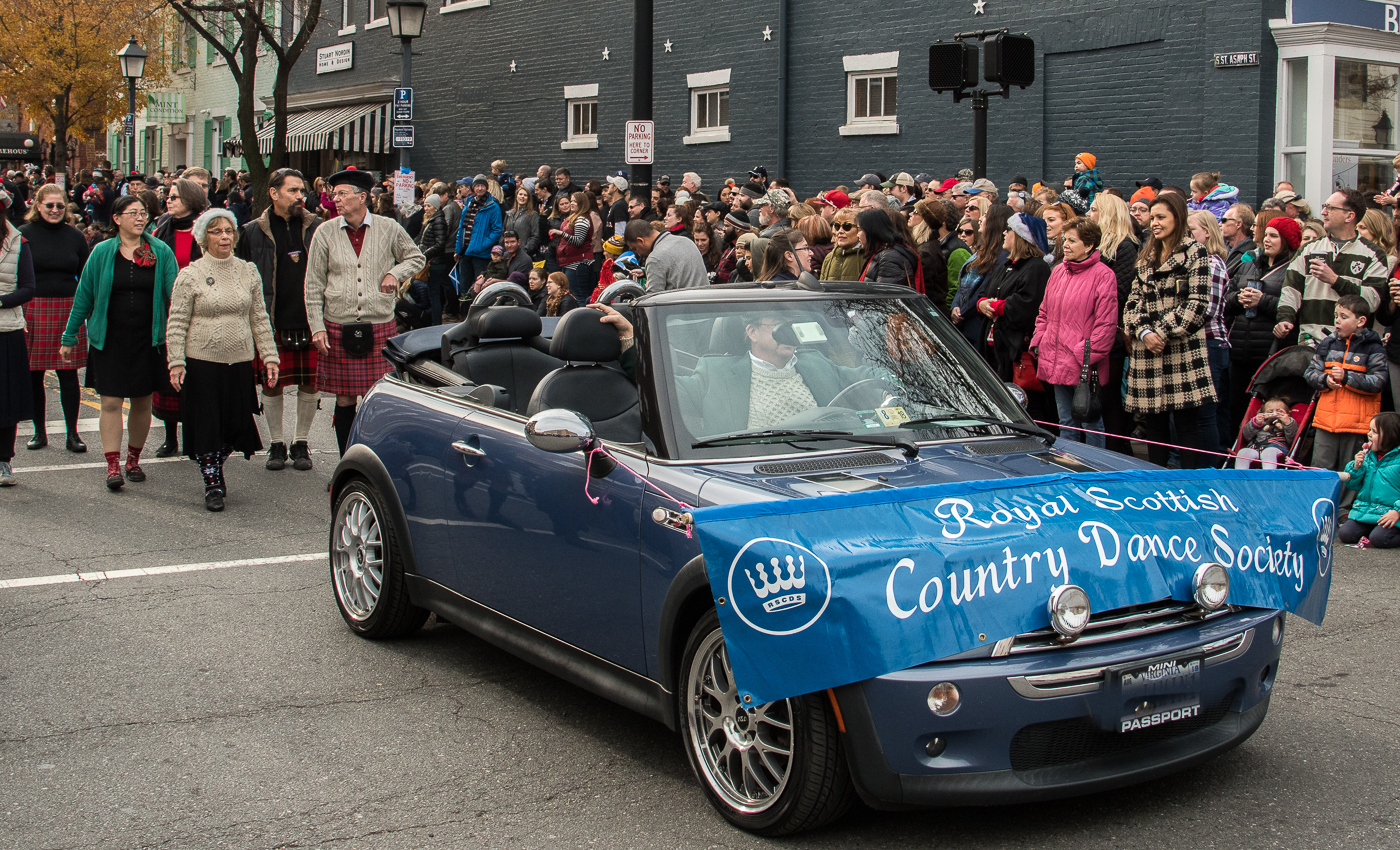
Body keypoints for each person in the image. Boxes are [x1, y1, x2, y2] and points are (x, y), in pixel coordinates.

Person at [60, 195, 179, 490]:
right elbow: (84, 296)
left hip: (149, 339)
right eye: (133, 213)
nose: (140, 218)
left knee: (142, 401)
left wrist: (180, 336)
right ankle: (113, 464)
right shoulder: (102, 252)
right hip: (109, 339)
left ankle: (133, 459)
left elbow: (176, 297)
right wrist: (69, 335)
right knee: (111, 401)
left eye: (143, 213)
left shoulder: (160, 251)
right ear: (116, 218)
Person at [305, 169, 426, 456]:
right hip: (338, 323)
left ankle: (374, 461)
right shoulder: (325, 231)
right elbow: (312, 284)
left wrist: (394, 273)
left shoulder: (388, 227)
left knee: (377, 398)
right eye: (334, 195)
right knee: (345, 399)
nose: (336, 199)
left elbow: (416, 257)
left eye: (342, 194)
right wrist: (316, 326)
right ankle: (346, 462)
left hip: (378, 323)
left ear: (363, 197)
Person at [166, 210, 279, 511]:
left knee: (234, 425)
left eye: (229, 230)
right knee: (207, 425)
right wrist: (175, 361)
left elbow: (259, 317)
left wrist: (270, 356)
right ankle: (212, 480)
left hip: (240, 361)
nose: (225, 236)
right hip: (202, 362)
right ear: (204, 238)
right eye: (216, 231)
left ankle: (217, 461)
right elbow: (177, 321)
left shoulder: (248, 271)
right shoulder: (190, 275)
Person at [235, 167, 322, 472]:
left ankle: (301, 442)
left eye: (302, 190)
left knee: (310, 383)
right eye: (293, 191)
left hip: (311, 317)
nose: (301, 196)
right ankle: (276, 443)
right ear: (274, 193)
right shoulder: (250, 231)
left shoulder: (317, 227)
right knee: (271, 383)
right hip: (270, 318)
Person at [673, 311, 883, 436]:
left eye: (792, 325)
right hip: (747, 474)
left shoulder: (815, 363)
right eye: (779, 326)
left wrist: (902, 377)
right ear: (752, 332)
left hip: (826, 462)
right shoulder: (716, 373)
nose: (789, 332)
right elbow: (664, 388)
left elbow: (868, 376)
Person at [1122, 192, 1216, 468]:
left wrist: (1160, 332)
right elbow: (1131, 303)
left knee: (1187, 427)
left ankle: (1190, 487)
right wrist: (1143, 333)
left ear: (1178, 218)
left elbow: (1198, 304)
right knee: (1155, 428)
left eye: (1161, 217)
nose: (1155, 224)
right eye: (1152, 218)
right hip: (1148, 350)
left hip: (1181, 351)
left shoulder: (1194, 252)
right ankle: (1158, 484)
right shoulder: (1146, 254)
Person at [1030, 218, 1117, 448]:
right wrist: (1041, 341)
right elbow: (1044, 312)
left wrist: (1084, 355)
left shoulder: (1104, 275)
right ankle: (1069, 466)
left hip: (1083, 365)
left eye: (1071, 240)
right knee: (1066, 422)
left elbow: (1106, 324)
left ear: (1089, 245)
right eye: (1064, 240)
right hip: (1056, 358)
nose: (1065, 245)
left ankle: (1096, 470)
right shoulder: (1058, 271)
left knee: (1090, 422)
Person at [20, 184, 90, 453]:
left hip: (68, 309)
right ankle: (39, 432)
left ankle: (72, 434)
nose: (54, 210)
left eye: (59, 205)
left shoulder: (75, 236)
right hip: (33, 308)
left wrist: (87, 310)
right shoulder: (23, 235)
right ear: (37, 206)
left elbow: (86, 276)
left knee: (68, 374)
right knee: (34, 375)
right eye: (49, 205)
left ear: (66, 207)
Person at [1275, 189, 1389, 348]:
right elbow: (1290, 290)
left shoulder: (1373, 254)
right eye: (1324, 206)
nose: (1323, 212)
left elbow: (1371, 301)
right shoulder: (1309, 249)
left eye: (1330, 208)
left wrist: (1335, 280)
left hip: (1352, 348)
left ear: (1349, 216)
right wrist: (1284, 319)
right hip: (1311, 343)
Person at [149, 178, 211, 457]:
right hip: (167, 307)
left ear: (190, 199)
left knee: (198, 374)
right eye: (168, 197)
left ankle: (197, 436)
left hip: (200, 308)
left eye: (174, 197)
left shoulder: (206, 228)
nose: (169, 201)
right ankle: (170, 437)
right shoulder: (161, 226)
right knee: (169, 373)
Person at [1226, 215, 1300, 432]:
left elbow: (1294, 307)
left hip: (1269, 349)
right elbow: (1227, 297)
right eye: (1265, 234)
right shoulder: (1249, 265)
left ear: (1286, 240)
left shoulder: (1293, 269)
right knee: (1235, 406)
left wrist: (1263, 301)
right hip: (1240, 347)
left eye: (1274, 236)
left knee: (1263, 409)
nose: (1266, 240)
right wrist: (1239, 298)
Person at [1304, 294, 1387, 476]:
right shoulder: (1327, 343)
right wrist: (1325, 381)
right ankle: (1321, 504)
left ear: (1361, 321)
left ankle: (1344, 506)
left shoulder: (1374, 348)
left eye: (1344, 316)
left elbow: (1378, 382)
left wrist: (1347, 377)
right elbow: (1310, 373)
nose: (1337, 321)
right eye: (1335, 316)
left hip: (1357, 425)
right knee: (1319, 471)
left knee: (1351, 473)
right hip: (1326, 422)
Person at [978, 212, 1053, 381]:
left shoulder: (1037, 267)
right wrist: (982, 304)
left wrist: (996, 307)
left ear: (1021, 236)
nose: (1004, 233)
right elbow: (986, 292)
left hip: (1015, 349)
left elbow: (1029, 303)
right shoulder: (1006, 265)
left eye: (1009, 229)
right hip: (994, 344)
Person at [1187, 210, 1234, 454]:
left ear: (1207, 232)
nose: (1187, 236)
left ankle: (1211, 467)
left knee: (1207, 414)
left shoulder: (1211, 263)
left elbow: (1206, 311)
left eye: (1192, 230)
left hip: (1209, 344)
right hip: (1193, 343)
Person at [0, 188, 36, 485]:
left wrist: (2, 300)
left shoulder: (18, 242)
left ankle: (4, 460)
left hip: (6, 330)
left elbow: (28, 287)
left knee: (7, 400)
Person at [951, 206, 1012, 353]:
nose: (980, 219)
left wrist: (962, 312)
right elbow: (963, 284)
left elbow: (985, 289)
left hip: (976, 324)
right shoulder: (981, 250)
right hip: (964, 321)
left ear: (993, 222)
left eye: (985, 215)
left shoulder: (1001, 257)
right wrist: (955, 305)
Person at [1337, 412, 1400, 547]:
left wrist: (1397, 512)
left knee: (1379, 539)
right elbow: (1353, 485)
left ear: (1390, 436)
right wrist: (1356, 467)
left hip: (1392, 515)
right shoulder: (1369, 457)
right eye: (1369, 430)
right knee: (1345, 534)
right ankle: (1375, 530)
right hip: (1368, 512)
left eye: (1375, 431)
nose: (1369, 434)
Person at [622, 219, 708, 291]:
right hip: (707, 305)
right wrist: (646, 272)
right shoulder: (687, 241)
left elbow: (653, 302)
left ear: (640, 241)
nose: (639, 254)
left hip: (683, 309)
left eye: (635, 249)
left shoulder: (655, 258)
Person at [454, 174, 502, 300]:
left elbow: (497, 230)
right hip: (465, 252)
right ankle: (465, 314)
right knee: (464, 287)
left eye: (482, 186)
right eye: (477, 186)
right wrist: (458, 249)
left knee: (478, 288)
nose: (480, 188)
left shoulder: (493, 206)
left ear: (487, 187)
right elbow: (462, 227)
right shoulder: (469, 202)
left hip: (481, 255)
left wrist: (481, 245)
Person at [551, 191, 597, 303]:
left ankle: (582, 319)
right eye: (571, 201)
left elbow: (578, 241)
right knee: (575, 295)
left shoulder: (582, 219)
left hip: (578, 262)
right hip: (571, 261)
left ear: (581, 203)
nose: (571, 203)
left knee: (579, 296)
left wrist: (561, 233)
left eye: (575, 201)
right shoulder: (573, 217)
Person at [856, 209, 919, 288]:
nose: (857, 235)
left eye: (860, 230)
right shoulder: (883, 253)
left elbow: (885, 296)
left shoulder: (890, 257)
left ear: (872, 231)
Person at [1233, 397, 1298, 469]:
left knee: (1268, 452)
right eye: (1270, 412)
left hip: (1277, 448)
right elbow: (1246, 436)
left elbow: (1292, 440)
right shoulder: (1259, 421)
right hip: (1256, 448)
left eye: (1279, 411)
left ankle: (1268, 476)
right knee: (1243, 453)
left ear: (1287, 413)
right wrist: (1255, 423)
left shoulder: (1288, 421)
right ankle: (1240, 477)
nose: (1274, 413)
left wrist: (1287, 423)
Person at [820, 208, 865, 282]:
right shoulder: (829, 258)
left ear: (859, 229)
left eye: (847, 226)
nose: (840, 231)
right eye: (837, 226)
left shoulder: (867, 257)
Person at [1222, 204, 1258, 278]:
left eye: (1224, 220)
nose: (1220, 223)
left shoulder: (1250, 254)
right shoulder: (1222, 249)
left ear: (1238, 224)